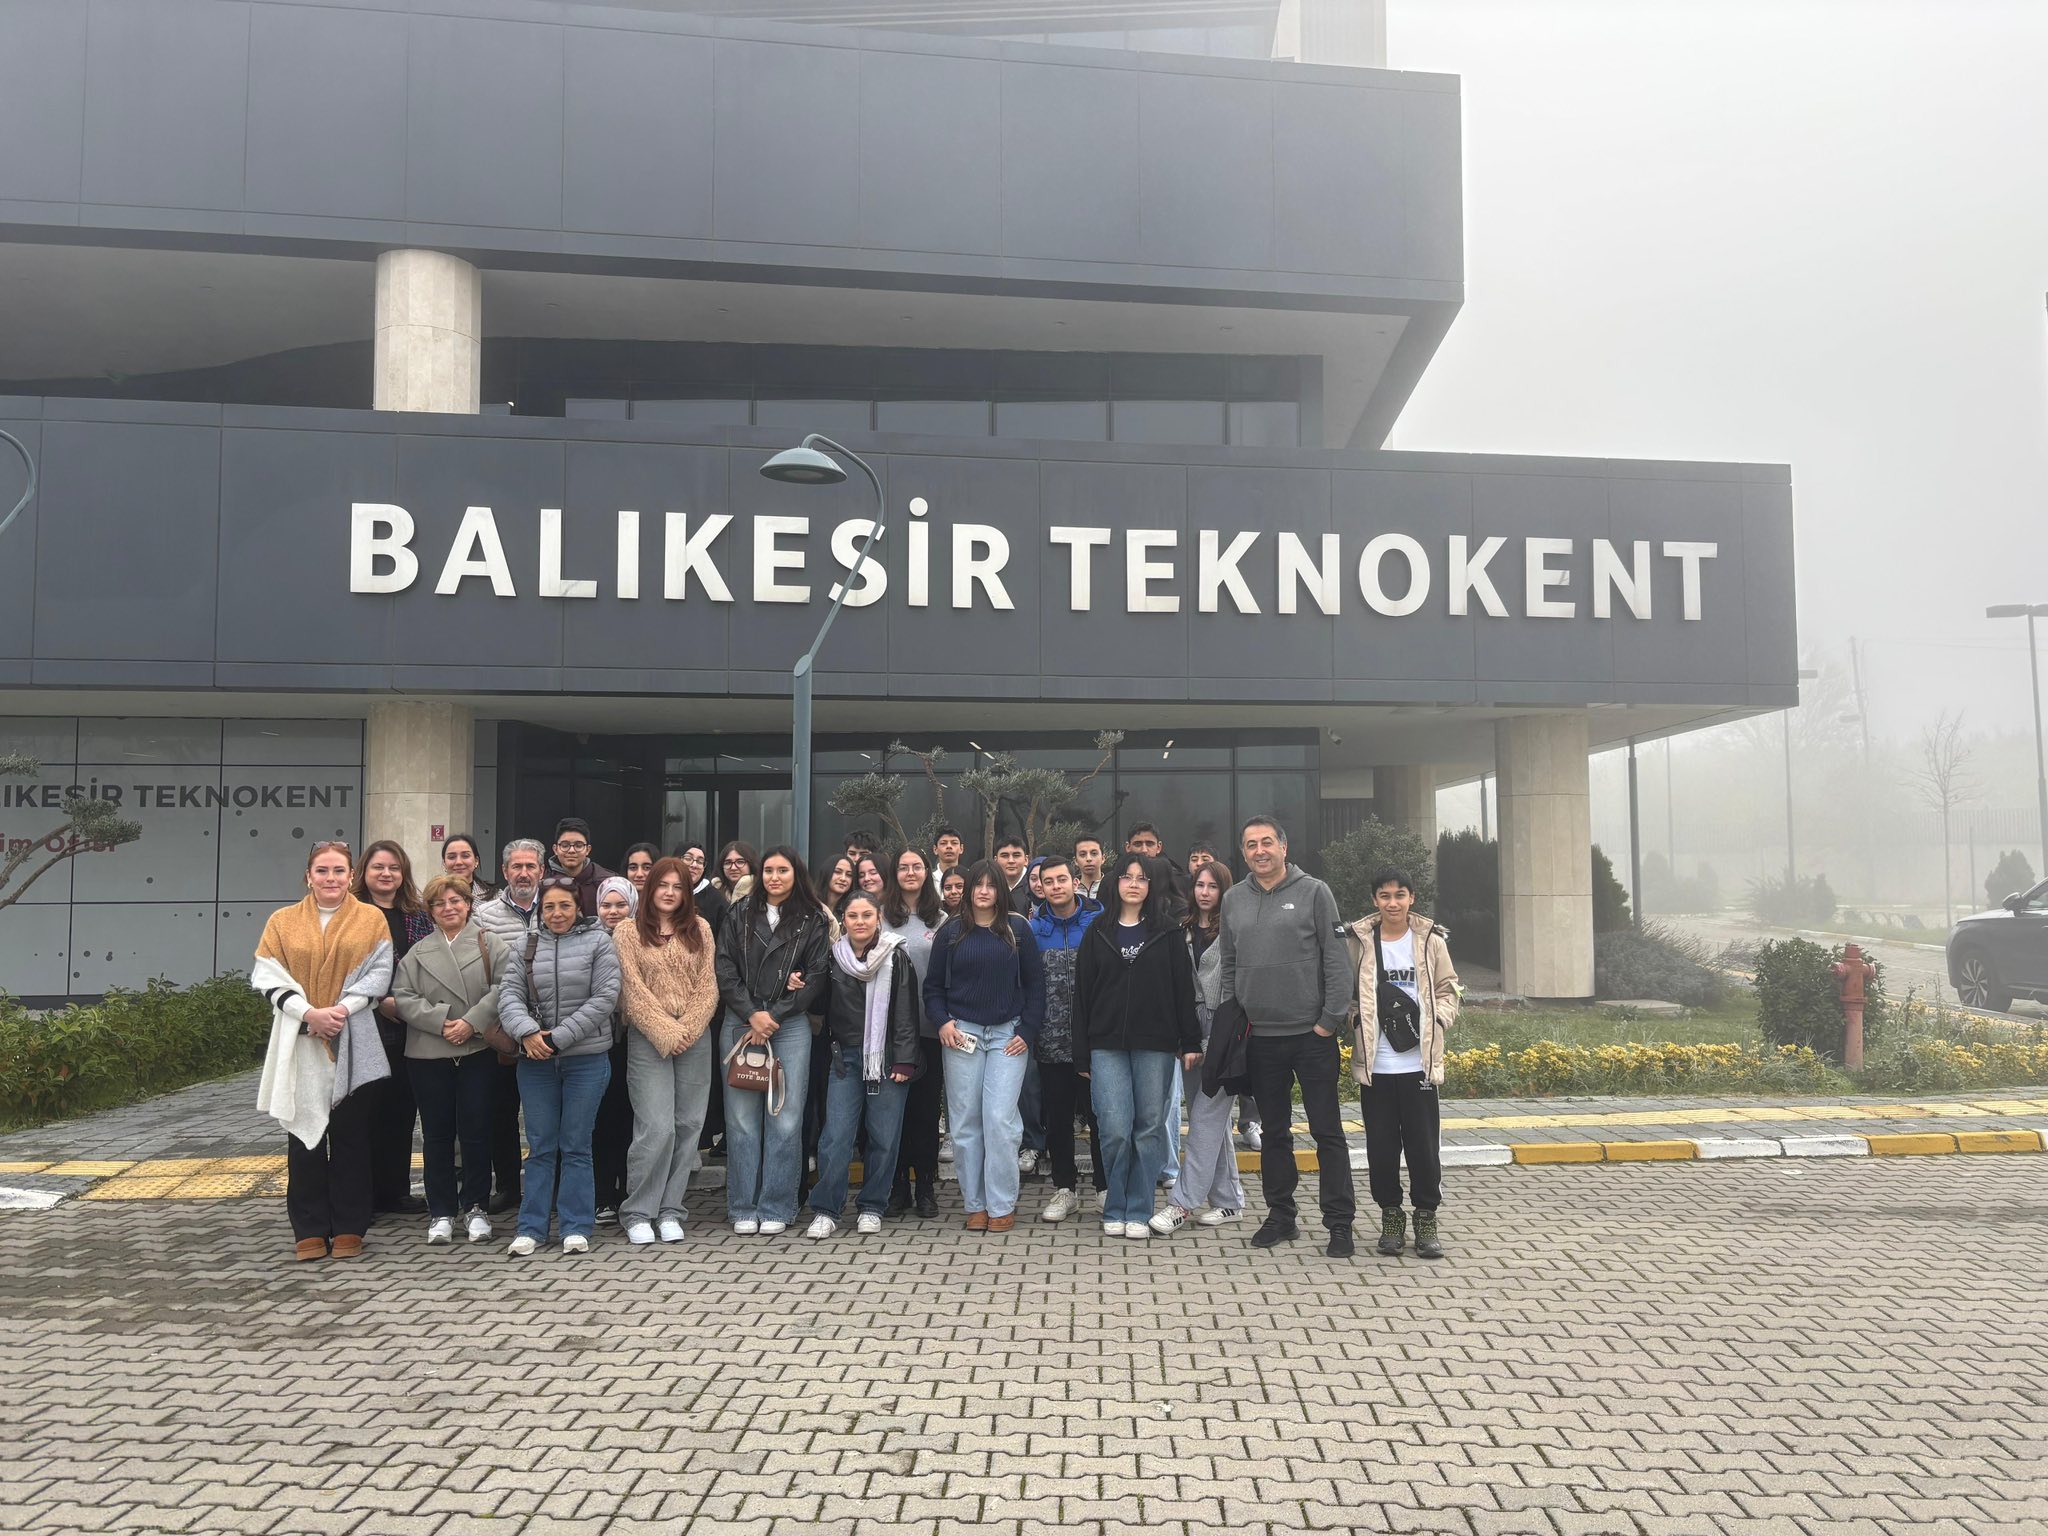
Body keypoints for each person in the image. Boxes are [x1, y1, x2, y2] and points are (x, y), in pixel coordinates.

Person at [1221, 815, 1356, 1257]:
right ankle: (1281, 1216)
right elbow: (1229, 965)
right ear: (1244, 852)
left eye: (1267, 842)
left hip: (1311, 1036)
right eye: (1251, 844)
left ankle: (1339, 1223)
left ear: (1283, 846)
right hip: (1260, 1039)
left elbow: (1336, 959)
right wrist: (1235, 1022)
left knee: (1327, 1132)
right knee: (1275, 1133)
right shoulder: (1233, 900)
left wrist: (1329, 1021)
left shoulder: (1314, 892)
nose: (1259, 851)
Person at [253, 840, 394, 1261]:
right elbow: (267, 974)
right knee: (304, 1139)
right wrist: (310, 1013)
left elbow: (380, 973)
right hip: (302, 1039)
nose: (330, 878)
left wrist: (339, 1011)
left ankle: (350, 1227)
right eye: (322, 871)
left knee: (351, 1138)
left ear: (351, 877)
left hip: (352, 1037)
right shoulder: (281, 922)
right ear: (308, 876)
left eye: (338, 871)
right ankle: (310, 1229)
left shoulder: (371, 919)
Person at [1073, 853, 1201, 1240]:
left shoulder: (1168, 932)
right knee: (1113, 1128)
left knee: (1148, 1129)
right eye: (1127, 877)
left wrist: (1189, 1040)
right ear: (1115, 883)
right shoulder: (1097, 932)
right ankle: (1115, 1205)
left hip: (1155, 1044)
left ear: (1151, 886)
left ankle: (1140, 1208)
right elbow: (1082, 995)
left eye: (1141, 878)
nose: (1133, 884)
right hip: (1105, 1043)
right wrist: (1081, 1051)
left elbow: (1183, 989)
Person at [498, 876, 621, 1256]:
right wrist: (527, 1033)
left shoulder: (599, 941)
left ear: (578, 907)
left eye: (564, 905)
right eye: (549, 906)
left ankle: (576, 1226)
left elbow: (605, 997)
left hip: (586, 1060)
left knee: (576, 1144)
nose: (556, 913)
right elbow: (508, 995)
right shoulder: (525, 944)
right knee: (540, 1146)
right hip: (535, 1062)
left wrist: (557, 1038)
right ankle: (531, 1228)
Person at [922, 861, 1045, 1233]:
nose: (984, 891)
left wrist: (1028, 1030)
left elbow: (1036, 986)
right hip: (962, 1034)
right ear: (968, 889)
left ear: (1000, 890)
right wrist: (942, 1022)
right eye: (978, 884)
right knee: (964, 1124)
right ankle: (975, 1205)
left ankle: (1001, 1204)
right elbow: (932, 988)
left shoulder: (1017, 929)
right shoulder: (951, 932)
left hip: (1008, 1035)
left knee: (1000, 1120)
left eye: (992, 885)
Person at [713, 846, 829, 1236]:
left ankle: (777, 1205)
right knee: (742, 1120)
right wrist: (752, 1013)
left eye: (782, 870)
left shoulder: (812, 918)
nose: (774, 877)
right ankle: (743, 1206)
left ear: (796, 874)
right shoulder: (739, 913)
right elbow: (724, 967)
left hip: (789, 1023)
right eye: (768, 870)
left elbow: (816, 975)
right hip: (742, 1019)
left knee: (786, 1117)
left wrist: (773, 1015)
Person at [392, 874, 512, 1246]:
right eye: (440, 903)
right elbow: (403, 996)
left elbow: (505, 987)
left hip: (477, 1049)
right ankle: (441, 1210)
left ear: (469, 904)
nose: (449, 908)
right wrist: (441, 1021)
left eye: (456, 901)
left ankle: (475, 1206)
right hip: (429, 1052)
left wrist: (471, 1022)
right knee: (436, 1134)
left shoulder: (492, 944)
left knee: (477, 1131)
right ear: (430, 911)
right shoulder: (418, 952)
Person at [1351, 868, 1460, 1261]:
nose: (1392, 903)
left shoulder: (1430, 940)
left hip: (1419, 1065)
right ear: (1375, 900)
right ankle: (1391, 1219)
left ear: (1412, 898)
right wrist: (1355, 1018)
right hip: (1377, 1065)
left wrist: (1439, 1019)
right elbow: (1347, 991)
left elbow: (1449, 988)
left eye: (1400, 895)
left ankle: (1426, 1219)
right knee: (1381, 1148)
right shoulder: (1359, 942)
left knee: (1423, 1148)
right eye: (1384, 896)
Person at [614, 856, 719, 1246]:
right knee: (656, 1127)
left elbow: (708, 985)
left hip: (694, 1036)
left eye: (678, 886)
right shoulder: (627, 931)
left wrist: (687, 1029)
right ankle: (639, 1211)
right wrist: (667, 1032)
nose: (670, 893)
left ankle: (672, 1209)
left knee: (688, 1125)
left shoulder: (700, 929)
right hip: (649, 1037)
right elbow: (632, 990)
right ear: (650, 888)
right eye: (663, 885)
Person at [806, 892, 923, 1238]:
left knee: (883, 1137)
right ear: (843, 919)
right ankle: (827, 1209)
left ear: (878, 918)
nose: (860, 922)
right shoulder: (832, 957)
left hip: (887, 1058)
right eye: (853, 916)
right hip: (844, 1058)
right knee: (835, 1137)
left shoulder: (896, 956)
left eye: (867, 915)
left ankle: (872, 1206)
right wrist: (801, 984)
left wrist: (905, 1059)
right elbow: (820, 1005)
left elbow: (907, 1013)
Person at [1153, 860, 1247, 1234]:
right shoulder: (1184, 929)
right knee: (1207, 1119)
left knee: (1206, 1119)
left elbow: (1236, 989)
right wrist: (1185, 1036)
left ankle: (1182, 1203)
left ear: (1225, 891)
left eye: (1213, 886)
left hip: (1225, 1026)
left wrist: (1215, 1039)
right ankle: (1228, 1201)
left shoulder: (1235, 930)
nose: (1205, 892)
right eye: (1199, 885)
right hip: (1189, 1030)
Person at [352, 839, 432, 1217]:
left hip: (409, 1026)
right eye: (378, 867)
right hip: (364, 1023)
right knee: (365, 1112)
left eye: (394, 868)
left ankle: (395, 1192)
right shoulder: (351, 914)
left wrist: (411, 1004)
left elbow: (430, 965)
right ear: (364, 872)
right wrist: (380, 999)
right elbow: (346, 968)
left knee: (401, 1110)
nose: (386, 874)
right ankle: (362, 1196)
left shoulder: (418, 914)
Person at [1027, 854, 1103, 1223]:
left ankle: (1104, 1188)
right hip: (1051, 1041)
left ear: (1075, 882)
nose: (1056, 886)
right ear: (1040, 887)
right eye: (1048, 881)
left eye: (1062, 879)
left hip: (1095, 1041)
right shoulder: (1033, 930)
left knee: (1100, 1116)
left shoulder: (1099, 923)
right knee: (1057, 1120)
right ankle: (1065, 1189)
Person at [473, 838, 545, 1212]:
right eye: (517, 866)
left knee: (545, 1115)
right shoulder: (483, 915)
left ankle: (548, 1186)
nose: (524, 873)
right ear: (504, 872)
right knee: (501, 1113)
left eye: (530, 866)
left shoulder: (557, 907)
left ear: (542, 871)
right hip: (502, 1029)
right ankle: (507, 1187)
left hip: (548, 1031)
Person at [882, 846, 947, 1218]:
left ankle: (925, 1185)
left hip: (929, 1028)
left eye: (917, 866)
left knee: (925, 1112)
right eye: (903, 867)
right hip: (888, 1032)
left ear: (926, 872)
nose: (910, 872)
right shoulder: (879, 916)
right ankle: (896, 1188)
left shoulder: (941, 919)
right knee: (893, 1112)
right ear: (894, 873)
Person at [591, 875, 638, 1223]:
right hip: (598, 1042)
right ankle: (603, 1195)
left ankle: (629, 1192)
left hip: (635, 1041)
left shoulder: (643, 937)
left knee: (631, 1119)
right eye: (606, 905)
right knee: (602, 1120)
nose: (613, 911)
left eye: (621, 904)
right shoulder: (589, 939)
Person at [549, 817, 615, 917]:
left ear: (588, 849)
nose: (571, 850)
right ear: (555, 849)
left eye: (578, 845)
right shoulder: (545, 882)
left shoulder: (607, 882)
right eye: (565, 845)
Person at [441, 833, 495, 903]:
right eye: (452, 857)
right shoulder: (432, 897)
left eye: (465, 856)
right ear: (444, 863)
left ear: (476, 861)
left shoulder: (496, 898)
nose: (458, 862)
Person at [994, 837, 1032, 914]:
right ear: (995, 860)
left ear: (1026, 860)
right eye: (1005, 856)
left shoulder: (1035, 886)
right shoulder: (990, 886)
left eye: (1016, 855)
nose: (1011, 861)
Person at [1073, 836, 1106, 901]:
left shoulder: (1112, 887)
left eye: (1094, 853)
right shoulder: (1070, 890)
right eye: (1083, 854)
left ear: (1103, 858)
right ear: (1076, 861)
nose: (1088, 859)